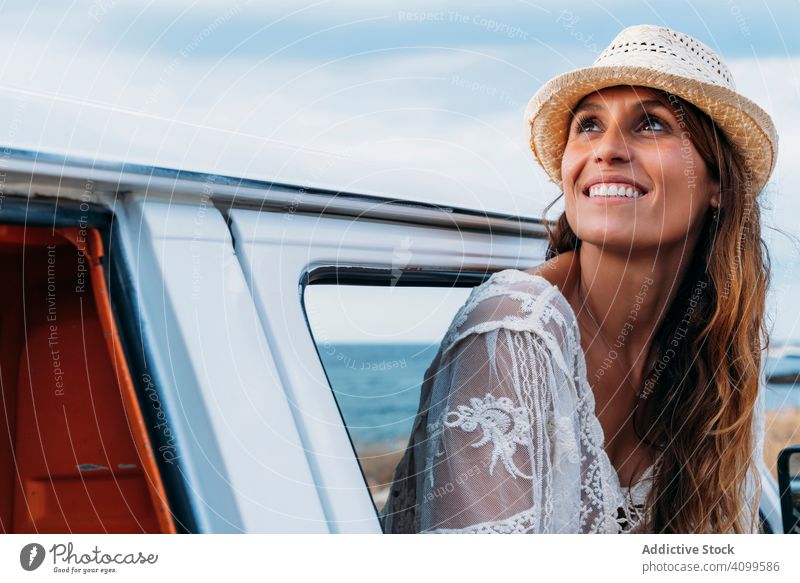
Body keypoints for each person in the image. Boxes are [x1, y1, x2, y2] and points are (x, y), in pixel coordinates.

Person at [380, 24, 778, 534]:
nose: (607, 149)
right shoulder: (514, 329)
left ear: (717, 182)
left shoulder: (718, 345)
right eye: (589, 125)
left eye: (651, 125)